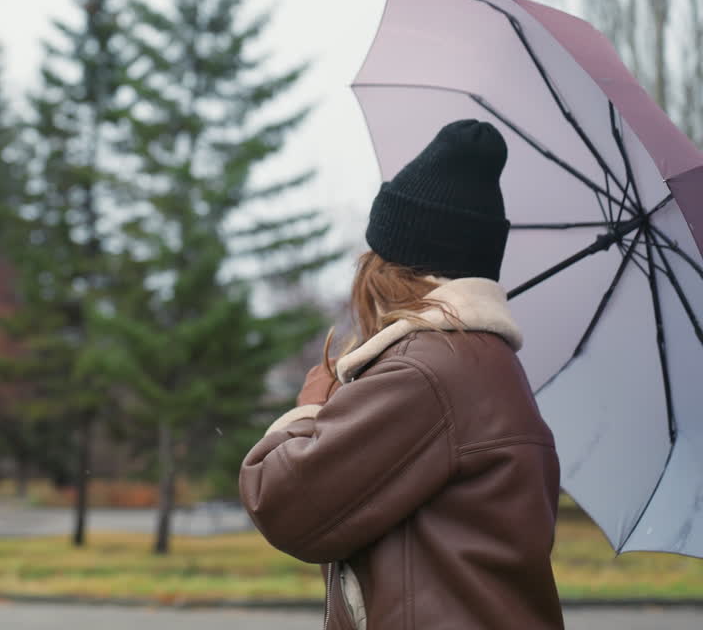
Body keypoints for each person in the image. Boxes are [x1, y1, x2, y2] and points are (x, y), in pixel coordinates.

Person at [239, 119, 564, 629]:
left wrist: (309, 407)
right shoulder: (489, 365)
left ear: (393, 266)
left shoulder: (426, 371)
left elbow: (281, 501)